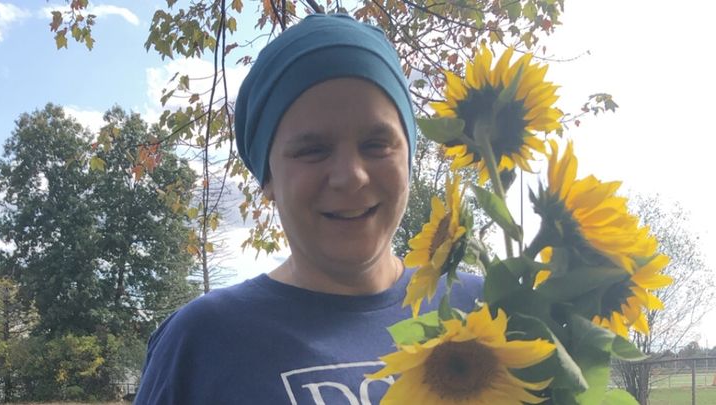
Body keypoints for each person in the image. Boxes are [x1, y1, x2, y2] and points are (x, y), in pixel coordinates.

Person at [134, 14, 483, 404]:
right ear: (267, 178)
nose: (351, 177)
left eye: (376, 144)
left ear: (409, 157)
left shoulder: (486, 310)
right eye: (313, 150)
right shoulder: (202, 344)